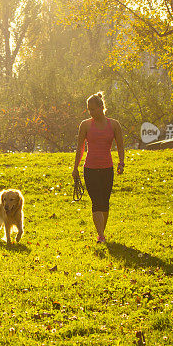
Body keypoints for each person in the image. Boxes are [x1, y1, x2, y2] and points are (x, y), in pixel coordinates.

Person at [72, 92, 124, 244]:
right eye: (89, 110)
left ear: (102, 108)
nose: (91, 112)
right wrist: (75, 167)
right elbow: (80, 148)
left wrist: (121, 163)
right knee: (96, 201)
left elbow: (120, 145)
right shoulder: (85, 125)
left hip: (107, 168)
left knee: (105, 202)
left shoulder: (114, 125)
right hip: (90, 169)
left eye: (93, 109)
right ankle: (101, 235)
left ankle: (102, 232)